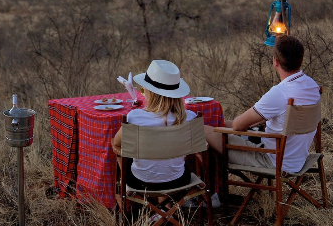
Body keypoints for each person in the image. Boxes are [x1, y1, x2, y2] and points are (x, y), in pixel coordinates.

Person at [205, 35, 320, 173]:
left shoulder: (280, 93)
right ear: (301, 59)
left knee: (202, 129)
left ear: (275, 62)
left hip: (274, 161)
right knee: (221, 125)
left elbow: (237, 125)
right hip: (298, 159)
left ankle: (211, 189)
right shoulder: (313, 86)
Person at [112, 59, 198, 192]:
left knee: (122, 155)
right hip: (179, 181)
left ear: (150, 93)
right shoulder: (190, 117)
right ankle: (165, 207)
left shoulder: (134, 117)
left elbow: (117, 143)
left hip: (141, 182)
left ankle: (146, 207)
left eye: (143, 89)